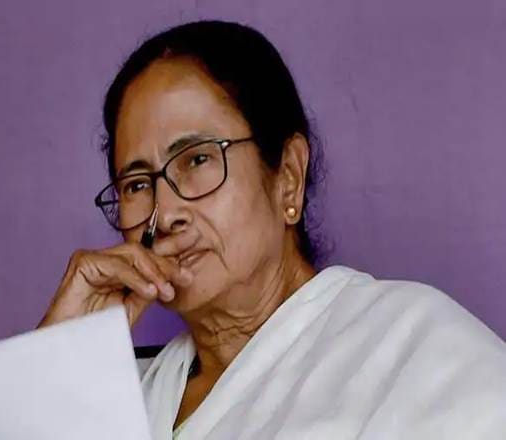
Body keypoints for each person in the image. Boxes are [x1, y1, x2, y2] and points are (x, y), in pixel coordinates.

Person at [37, 20, 506, 439]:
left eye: (197, 160)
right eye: (137, 184)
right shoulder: (117, 397)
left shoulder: (413, 351)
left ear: (288, 177)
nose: (166, 212)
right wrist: (52, 358)